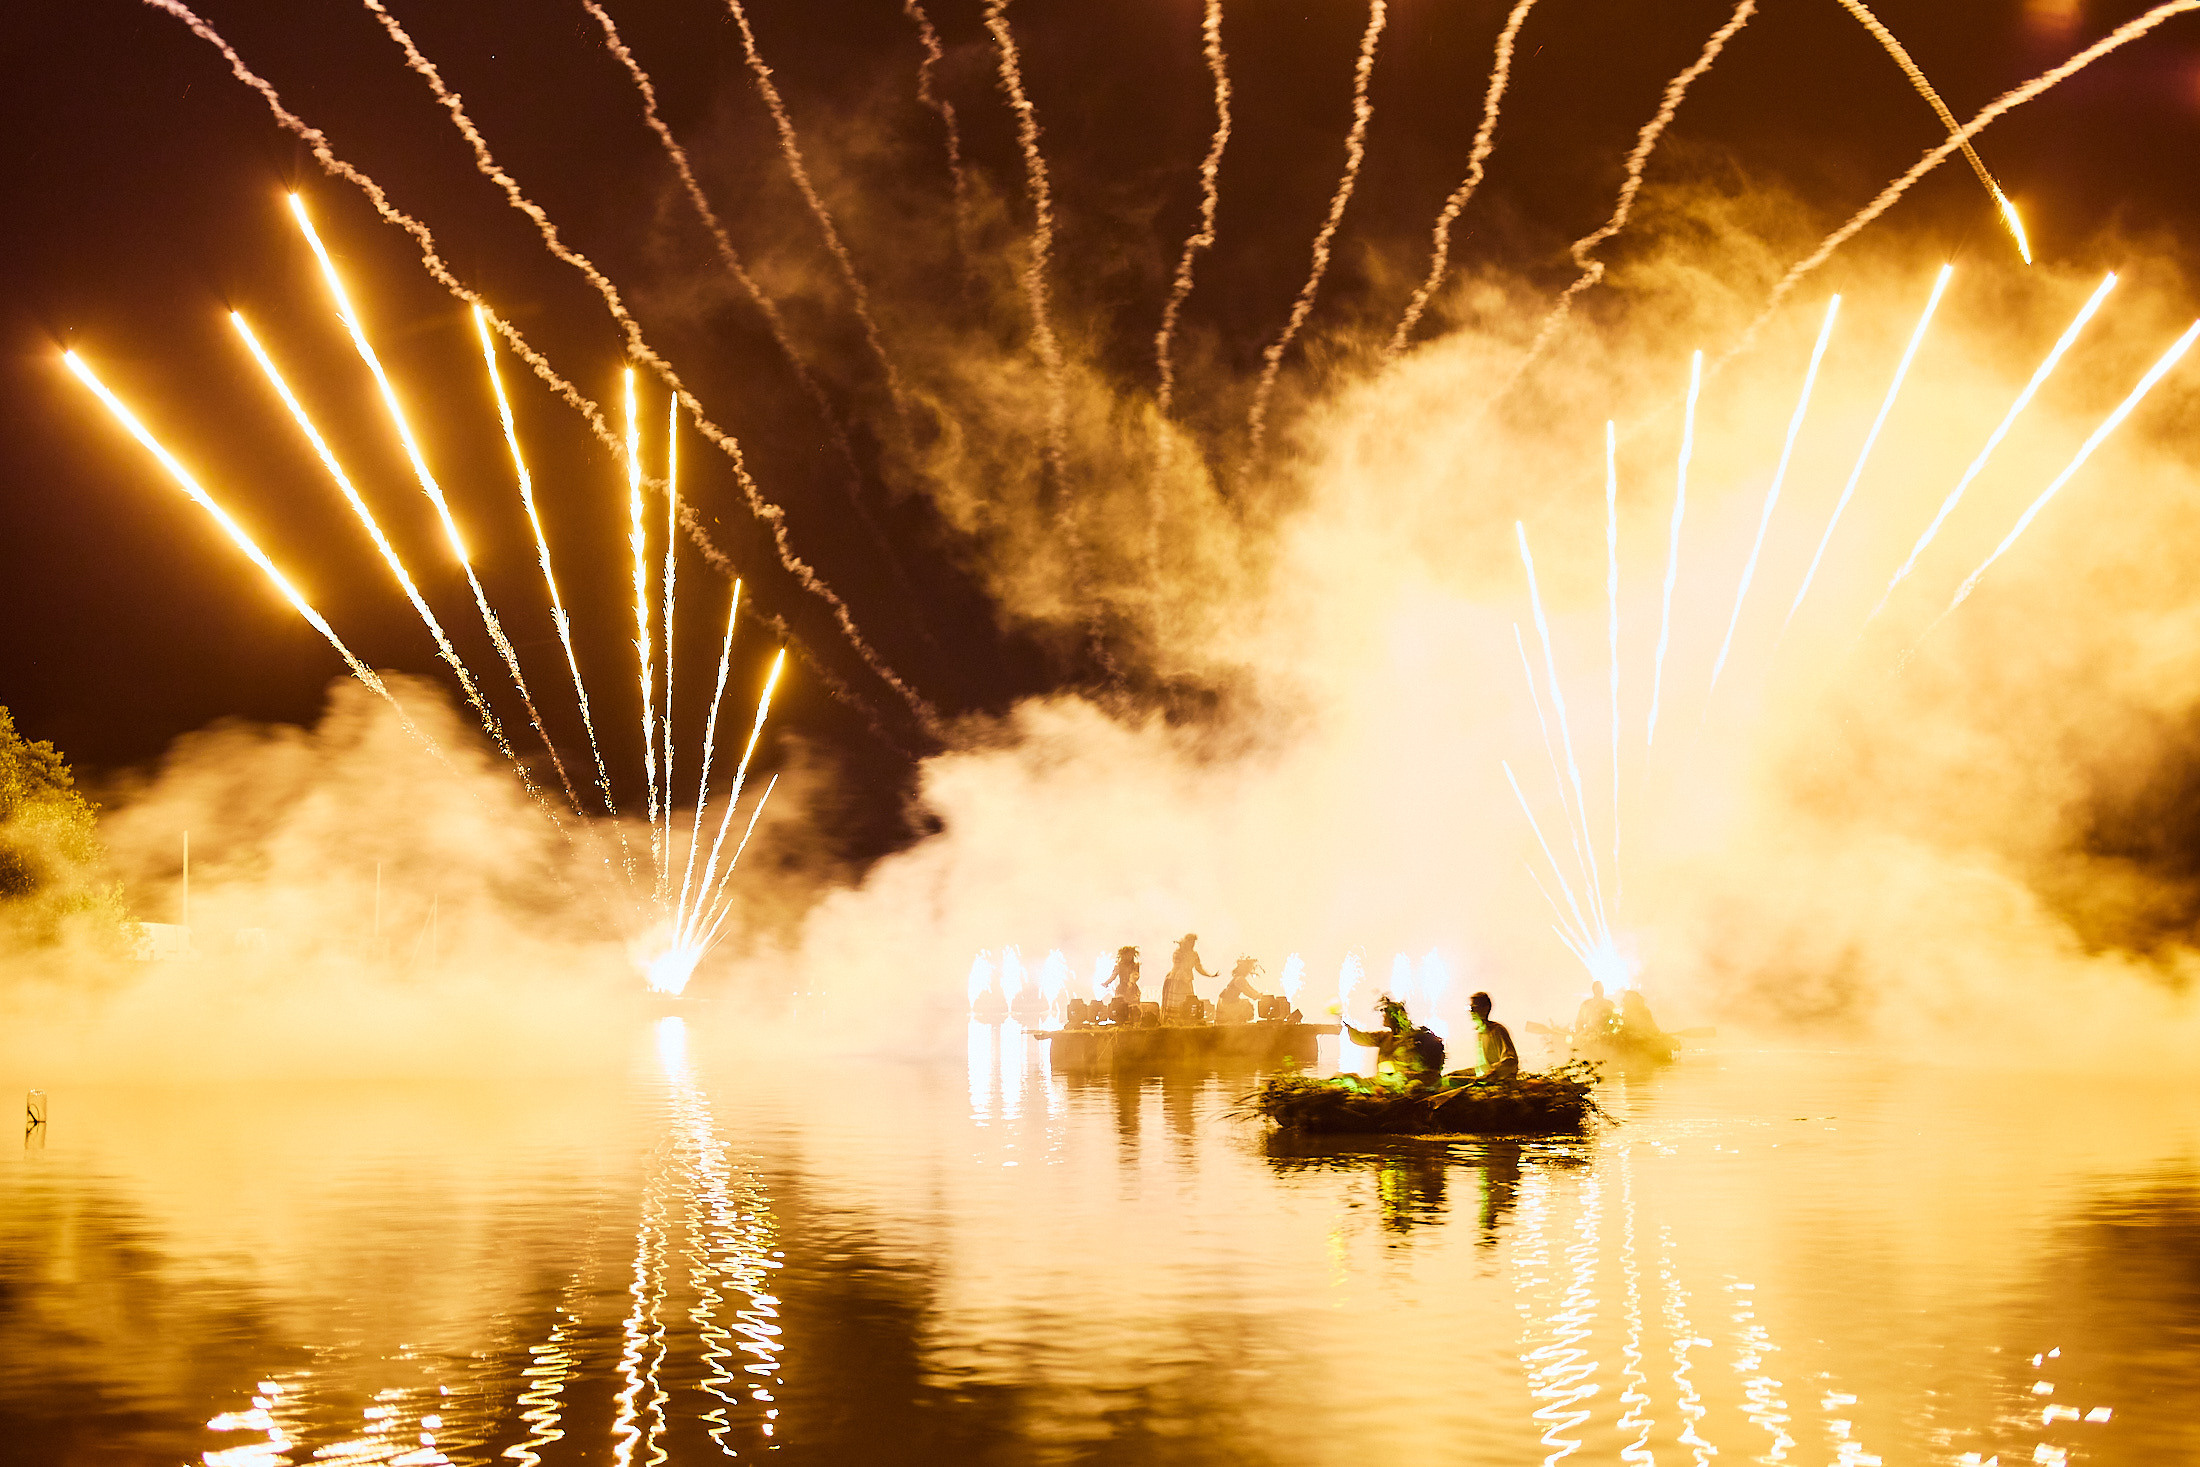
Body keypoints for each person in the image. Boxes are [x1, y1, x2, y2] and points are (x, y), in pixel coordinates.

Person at [1341, 997, 1446, 1088]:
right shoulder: (1385, 1037)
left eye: (1386, 1014)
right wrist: (1344, 1023)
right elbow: (1360, 1038)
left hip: (1403, 1084)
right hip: (1386, 1083)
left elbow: (1419, 1070)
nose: (1383, 1017)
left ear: (1394, 1017)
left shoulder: (1413, 1039)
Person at [1161, 933, 1217, 1023]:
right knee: (1177, 1004)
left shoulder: (1194, 954)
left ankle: (1185, 1022)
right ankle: (1172, 1022)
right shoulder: (1178, 952)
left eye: (1193, 942)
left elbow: (1198, 967)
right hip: (1176, 980)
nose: (1192, 944)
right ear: (1186, 942)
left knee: (1188, 1002)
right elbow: (1179, 966)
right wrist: (1185, 976)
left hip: (1187, 981)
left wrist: (1209, 975)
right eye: (1190, 942)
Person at [1467, 991, 1519, 1081]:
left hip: (1498, 1083)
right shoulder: (1480, 1033)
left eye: (1474, 1007)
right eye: (1469, 1008)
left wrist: (1492, 1075)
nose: (1471, 1011)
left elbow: (1510, 1061)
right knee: (1449, 1080)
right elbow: (1482, 1068)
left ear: (1485, 1008)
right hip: (1485, 1081)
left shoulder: (1497, 1031)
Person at [1216, 957, 1265, 1024]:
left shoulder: (1239, 978)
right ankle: (1236, 1021)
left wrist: (1258, 994)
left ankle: (1237, 1021)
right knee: (1247, 1005)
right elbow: (1247, 991)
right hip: (1227, 1004)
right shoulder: (1239, 979)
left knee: (1245, 1004)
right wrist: (1256, 996)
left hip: (1227, 1002)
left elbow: (1249, 988)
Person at [1103, 946, 1141, 1024]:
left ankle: (1133, 1023)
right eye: (1128, 955)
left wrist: (1131, 983)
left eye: (1130, 955)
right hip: (1122, 989)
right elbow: (1113, 975)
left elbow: (1135, 975)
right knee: (1120, 1007)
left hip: (1132, 989)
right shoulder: (1119, 966)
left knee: (1133, 1007)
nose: (1129, 957)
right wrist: (1107, 982)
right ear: (1123, 955)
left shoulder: (1135, 965)